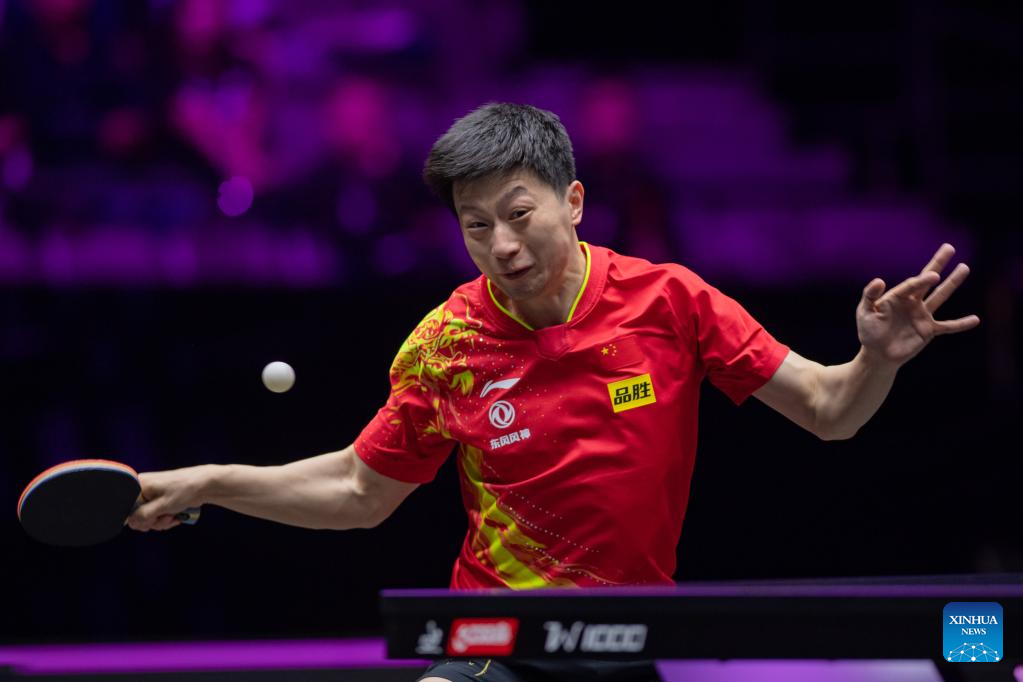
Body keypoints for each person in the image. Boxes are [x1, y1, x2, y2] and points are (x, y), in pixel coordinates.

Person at [128, 103, 980, 681]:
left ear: (572, 201)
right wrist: (212, 481)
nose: (500, 245)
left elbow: (829, 412)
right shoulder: (446, 345)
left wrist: (875, 360)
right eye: (475, 227)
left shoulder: (669, 301)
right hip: (494, 639)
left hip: (628, 641)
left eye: (517, 213)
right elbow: (359, 490)